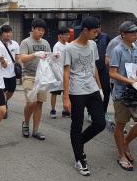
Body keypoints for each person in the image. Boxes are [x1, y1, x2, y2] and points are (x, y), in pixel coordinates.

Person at [63, 17, 106, 176]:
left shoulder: (93, 45)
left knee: (100, 123)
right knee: (77, 124)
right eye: (94, 31)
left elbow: (94, 67)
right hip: (76, 91)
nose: (96, 34)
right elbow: (66, 72)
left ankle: (78, 143)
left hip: (92, 88)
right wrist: (65, 97)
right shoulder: (70, 48)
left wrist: (100, 88)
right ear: (85, 30)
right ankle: (79, 159)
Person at [109, 21, 137, 171]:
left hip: (135, 91)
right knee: (121, 123)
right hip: (121, 93)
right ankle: (121, 155)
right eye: (132, 32)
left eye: (136, 32)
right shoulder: (117, 50)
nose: (135, 34)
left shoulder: (136, 49)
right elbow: (112, 73)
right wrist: (130, 81)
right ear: (123, 34)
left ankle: (125, 143)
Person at [19, 18, 51, 140]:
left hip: (42, 77)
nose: (41, 32)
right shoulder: (25, 42)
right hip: (28, 75)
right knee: (31, 102)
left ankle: (36, 130)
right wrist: (35, 54)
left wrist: (54, 57)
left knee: (39, 103)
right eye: (38, 29)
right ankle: (26, 123)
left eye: (42, 30)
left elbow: (48, 58)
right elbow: (22, 58)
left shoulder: (46, 43)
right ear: (32, 29)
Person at [50, 26, 71, 119]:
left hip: (66, 72)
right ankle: (53, 109)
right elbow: (54, 60)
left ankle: (65, 110)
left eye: (68, 34)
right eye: (65, 34)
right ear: (60, 36)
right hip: (57, 72)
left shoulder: (69, 45)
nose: (67, 36)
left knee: (65, 92)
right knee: (54, 92)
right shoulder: (57, 46)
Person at [0, 25, 20, 119]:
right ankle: (4, 108)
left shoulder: (15, 44)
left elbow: (17, 58)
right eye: (6, 32)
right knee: (3, 91)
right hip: (1, 73)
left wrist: (20, 66)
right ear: (1, 33)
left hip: (12, 72)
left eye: (9, 32)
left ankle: (3, 102)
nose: (8, 34)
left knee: (11, 91)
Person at [94, 30, 111, 116]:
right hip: (92, 68)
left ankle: (104, 111)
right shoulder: (90, 38)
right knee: (94, 91)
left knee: (106, 89)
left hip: (104, 68)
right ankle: (92, 112)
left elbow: (110, 48)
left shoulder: (105, 37)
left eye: (98, 27)